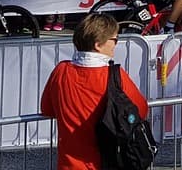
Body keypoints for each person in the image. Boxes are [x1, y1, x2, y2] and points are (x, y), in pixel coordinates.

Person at [40, 13, 148, 170]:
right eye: (114, 39)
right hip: (104, 162)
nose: (115, 44)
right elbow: (140, 110)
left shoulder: (61, 70)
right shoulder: (114, 76)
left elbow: (47, 109)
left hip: (68, 164)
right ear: (98, 45)